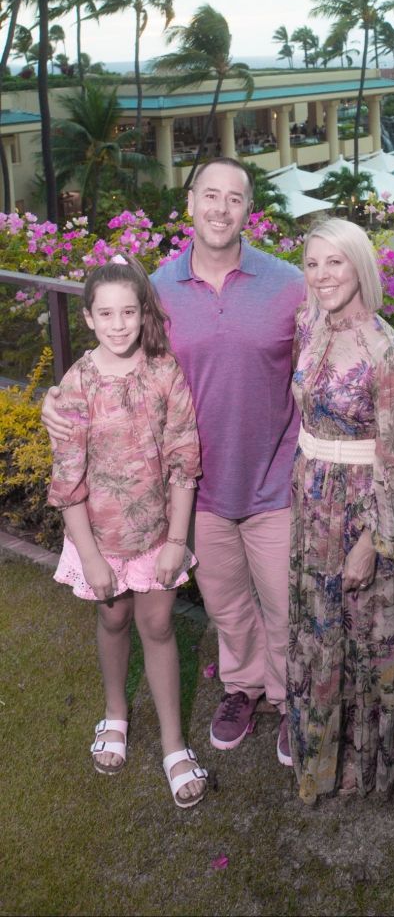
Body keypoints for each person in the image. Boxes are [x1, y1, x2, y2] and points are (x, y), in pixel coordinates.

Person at [42, 159, 306, 767]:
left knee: (287, 603)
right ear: (190, 203)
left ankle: (294, 699)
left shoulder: (289, 284)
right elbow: (112, 363)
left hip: (274, 480)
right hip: (194, 493)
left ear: (248, 209)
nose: (220, 208)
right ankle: (242, 687)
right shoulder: (155, 291)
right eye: (209, 195)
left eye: (233, 198)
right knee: (228, 606)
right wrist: (52, 400)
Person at [287, 217, 394, 804]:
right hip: (311, 507)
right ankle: (321, 755)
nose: (323, 274)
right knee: (321, 634)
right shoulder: (310, 326)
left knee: (366, 638)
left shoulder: (388, 354)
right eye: (313, 263)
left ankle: (367, 763)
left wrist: (370, 543)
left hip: (363, 513)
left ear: (360, 266)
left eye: (335, 262)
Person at [47, 254, 208, 810]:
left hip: (158, 533)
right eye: (106, 314)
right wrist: (90, 557)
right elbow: (69, 481)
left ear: (144, 314)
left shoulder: (165, 373)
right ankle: (115, 711)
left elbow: (185, 460)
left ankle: (172, 742)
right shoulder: (74, 387)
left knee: (158, 623)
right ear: (88, 318)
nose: (118, 325)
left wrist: (176, 541)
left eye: (129, 312)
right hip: (99, 538)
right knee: (113, 616)